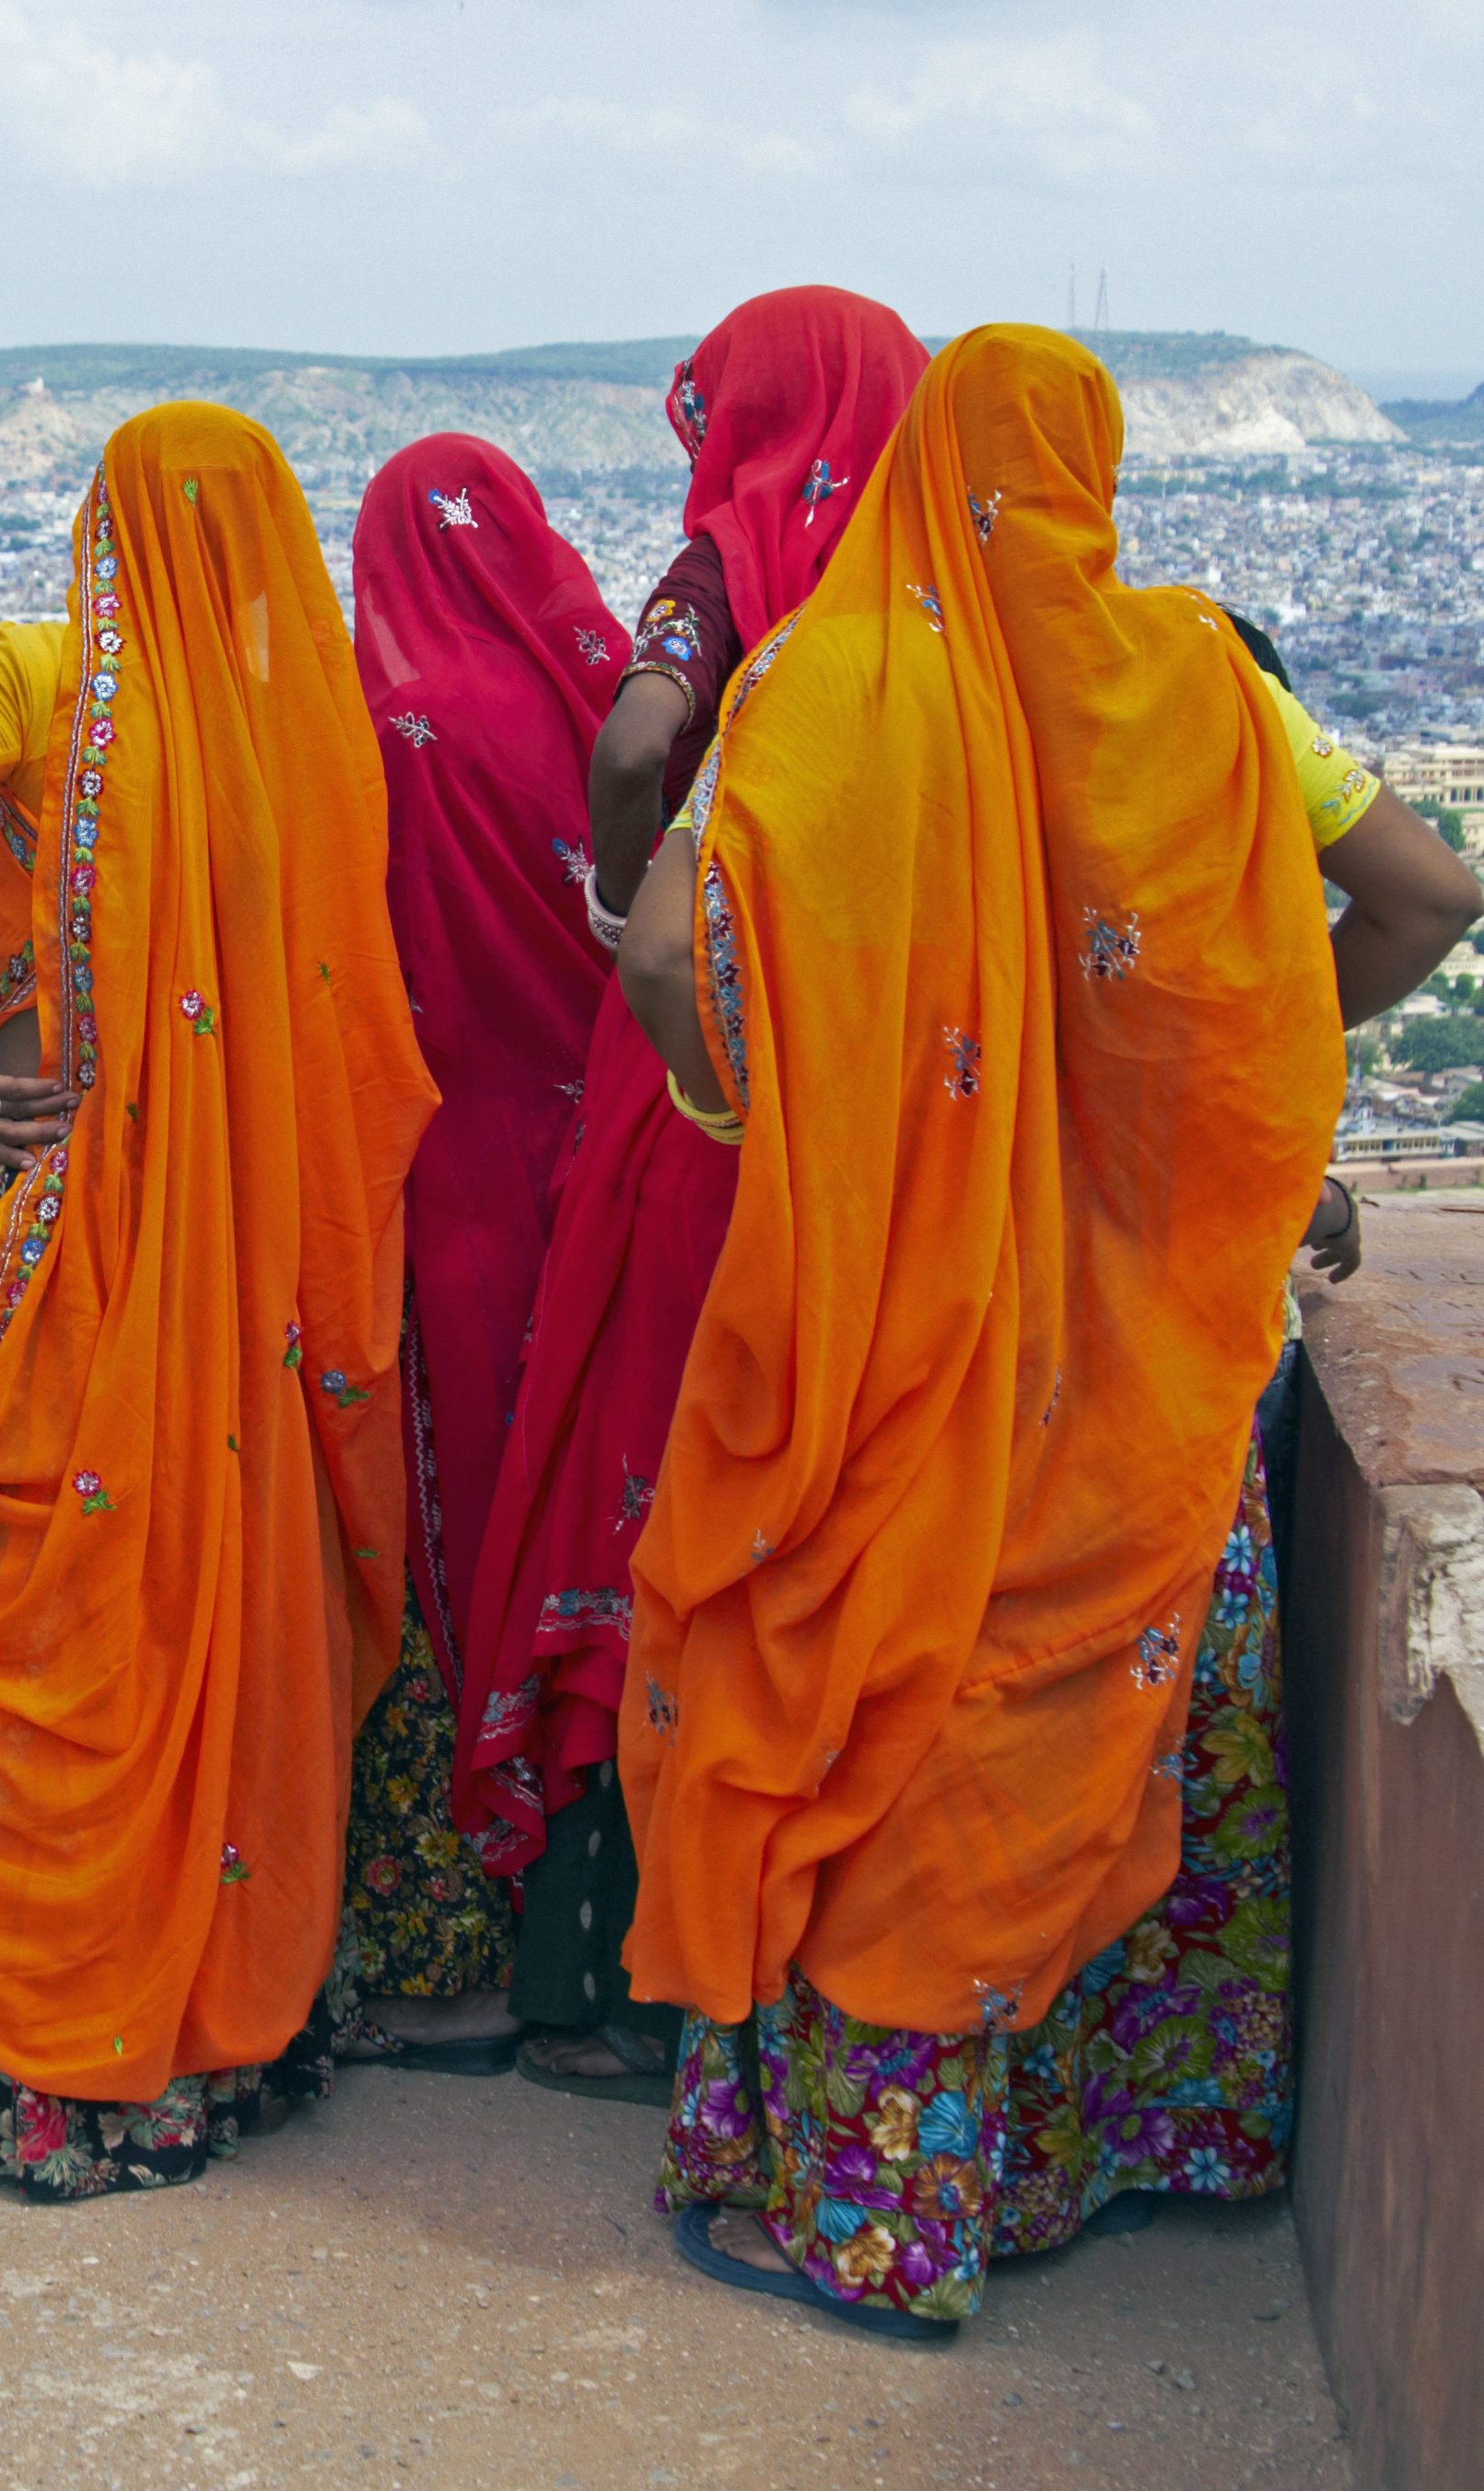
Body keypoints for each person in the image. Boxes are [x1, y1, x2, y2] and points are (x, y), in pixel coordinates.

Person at [615, 323, 1476, 2341]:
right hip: (1149, 1338)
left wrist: (765, 1117)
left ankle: (872, 2196)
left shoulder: (821, 682)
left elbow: (664, 945)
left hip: (910, 1334)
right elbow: (1428, 893)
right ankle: (1121, 2140)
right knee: (1112, 1707)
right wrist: (1221, 1075)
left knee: (889, 1722)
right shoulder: (1209, 686)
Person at [0, 403, 434, 2197]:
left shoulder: (38, 670)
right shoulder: (301, 728)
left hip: (41, 1221)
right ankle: (176, 2045)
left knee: (14, 1611)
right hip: (228, 1259)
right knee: (180, 1605)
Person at [456, 287, 929, 2101]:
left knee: (644, 1494)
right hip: (881, 1111)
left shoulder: (728, 566)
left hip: (711, 1103)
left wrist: (633, 907)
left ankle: (613, 1961)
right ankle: (773, 1965)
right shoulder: (933, 568)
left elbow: (634, 735)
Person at [330, 437, 630, 2071]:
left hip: (434, 1178)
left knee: (444, 1535)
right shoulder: (609, 712)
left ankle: (457, 1924)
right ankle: (590, 1965)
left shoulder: (378, 736)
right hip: (603, 1175)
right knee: (587, 1532)